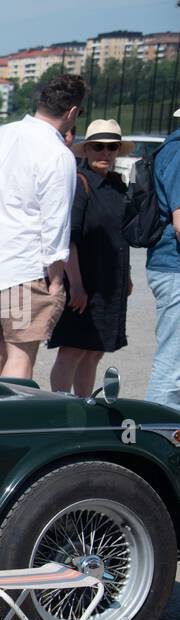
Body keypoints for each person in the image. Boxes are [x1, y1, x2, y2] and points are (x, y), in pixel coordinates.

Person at [0, 73, 86, 380]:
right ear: (72, 112)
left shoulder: (1, 134)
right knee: (21, 353)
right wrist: (57, 276)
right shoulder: (58, 155)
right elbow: (56, 221)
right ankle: (10, 423)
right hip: (23, 269)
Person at [48, 120, 134, 396]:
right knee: (72, 348)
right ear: (86, 150)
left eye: (112, 147)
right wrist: (76, 284)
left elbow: (119, 236)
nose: (105, 152)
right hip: (84, 278)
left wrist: (128, 275)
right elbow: (69, 238)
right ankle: (61, 405)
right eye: (98, 146)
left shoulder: (118, 186)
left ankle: (85, 403)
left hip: (110, 281)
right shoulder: (79, 183)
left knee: (96, 349)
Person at [146, 107, 180, 410]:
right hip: (175, 268)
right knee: (173, 365)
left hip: (169, 266)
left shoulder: (170, 148)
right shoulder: (179, 153)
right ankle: (161, 438)